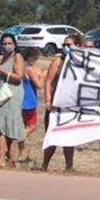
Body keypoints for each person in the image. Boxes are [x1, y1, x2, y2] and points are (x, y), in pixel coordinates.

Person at [40, 34, 84, 172]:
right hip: (56, 103)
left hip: (71, 105)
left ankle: (69, 166)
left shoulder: (81, 62)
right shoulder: (58, 61)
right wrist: (48, 99)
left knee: (69, 136)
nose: (66, 47)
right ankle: (44, 164)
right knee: (52, 134)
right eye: (64, 45)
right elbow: (48, 81)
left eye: (69, 45)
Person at [0, 33, 27, 168]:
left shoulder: (17, 57)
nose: (7, 46)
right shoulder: (4, 58)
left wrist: (1, 70)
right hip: (1, 95)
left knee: (6, 126)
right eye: (4, 44)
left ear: (14, 44)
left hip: (11, 95)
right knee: (0, 126)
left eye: (9, 43)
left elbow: (19, 76)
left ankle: (4, 158)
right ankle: (4, 157)